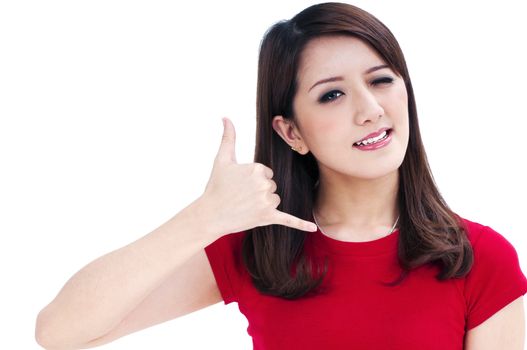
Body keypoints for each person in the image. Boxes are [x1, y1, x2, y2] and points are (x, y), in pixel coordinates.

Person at [35, 2, 527, 349]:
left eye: (381, 80)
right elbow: (58, 332)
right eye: (332, 94)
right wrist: (202, 219)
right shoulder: (259, 249)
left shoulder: (479, 258)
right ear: (291, 132)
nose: (371, 109)